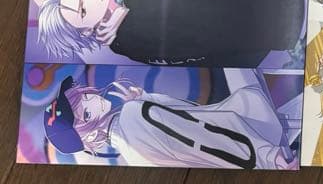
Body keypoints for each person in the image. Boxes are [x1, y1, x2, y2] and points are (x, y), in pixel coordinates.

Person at [36, 0, 305, 67]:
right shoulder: (130, 35)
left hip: (274, 6)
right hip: (275, 4)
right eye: (83, 9)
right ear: (86, 31)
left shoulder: (128, 19)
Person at [43, 71, 298, 167]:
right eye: (86, 113)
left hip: (251, 146)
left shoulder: (129, 153)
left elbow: (184, 129)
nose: (92, 99)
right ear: (88, 135)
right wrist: (267, 156)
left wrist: (146, 100)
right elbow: (201, 136)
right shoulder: (132, 116)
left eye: (84, 97)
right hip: (253, 133)